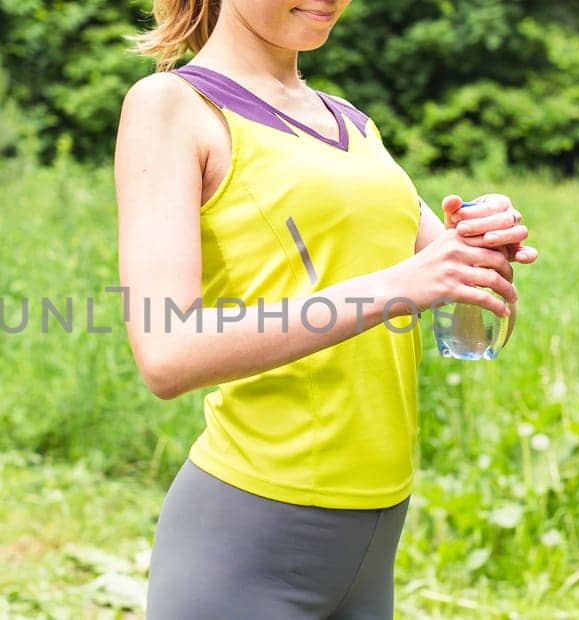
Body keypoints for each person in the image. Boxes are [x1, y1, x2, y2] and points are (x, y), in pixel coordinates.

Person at [112, 1, 539, 616]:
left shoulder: (351, 123)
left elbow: (445, 276)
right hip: (247, 533)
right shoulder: (171, 106)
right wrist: (404, 285)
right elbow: (166, 353)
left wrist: (480, 239)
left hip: (376, 528)